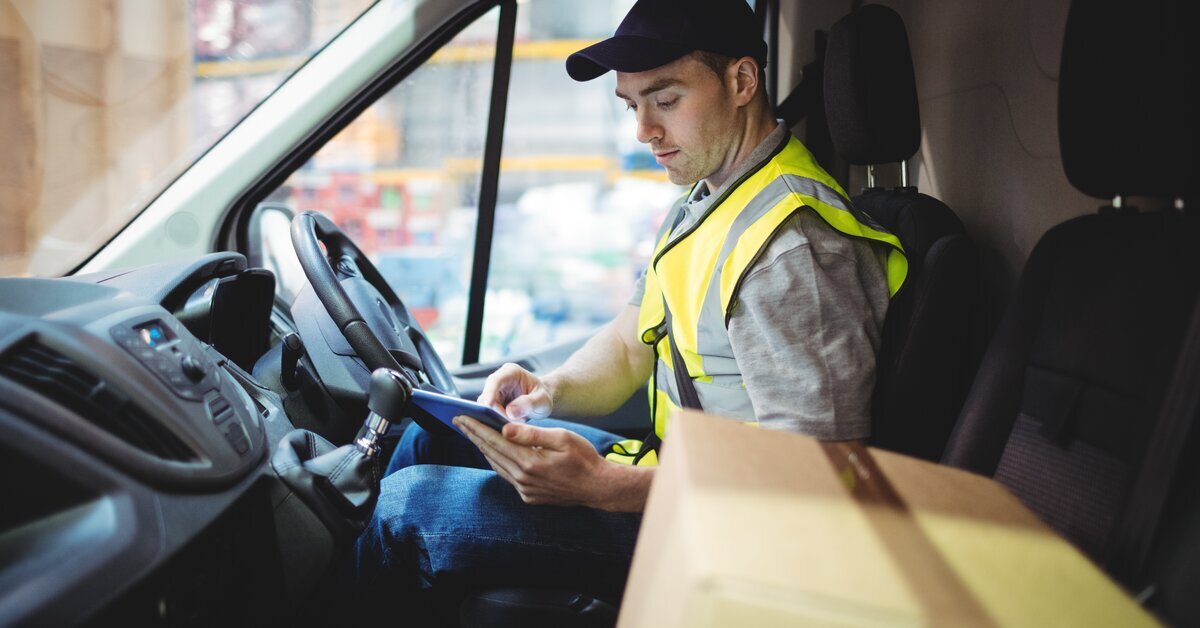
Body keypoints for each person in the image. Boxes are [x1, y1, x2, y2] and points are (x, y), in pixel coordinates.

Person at [352, 0, 906, 620]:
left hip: (743, 545)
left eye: (665, 101)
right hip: (683, 480)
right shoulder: (711, 199)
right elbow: (629, 340)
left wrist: (605, 488)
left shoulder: (792, 249)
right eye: (631, 105)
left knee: (407, 508)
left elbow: (821, 479)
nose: (643, 130)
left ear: (742, 82)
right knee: (432, 443)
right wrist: (548, 389)